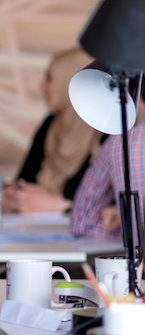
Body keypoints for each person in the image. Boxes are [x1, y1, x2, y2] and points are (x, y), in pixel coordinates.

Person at [3, 47, 102, 213]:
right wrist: (14, 194)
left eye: (49, 78)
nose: (42, 86)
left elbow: (111, 205)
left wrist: (60, 205)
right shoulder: (50, 125)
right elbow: (26, 179)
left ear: (70, 79)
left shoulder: (106, 131)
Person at [70, 78, 145, 239]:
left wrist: (126, 229)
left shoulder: (120, 143)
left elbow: (81, 223)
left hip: (141, 260)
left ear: (140, 104)